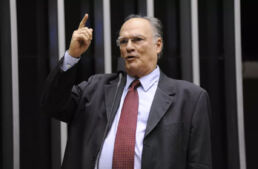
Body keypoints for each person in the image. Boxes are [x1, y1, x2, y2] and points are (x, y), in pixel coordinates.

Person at [41, 13, 212, 169]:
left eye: (137, 39)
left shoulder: (190, 98)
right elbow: (53, 105)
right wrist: (72, 55)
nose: (129, 47)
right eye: (123, 41)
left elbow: (199, 163)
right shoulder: (95, 88)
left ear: (158, 45)